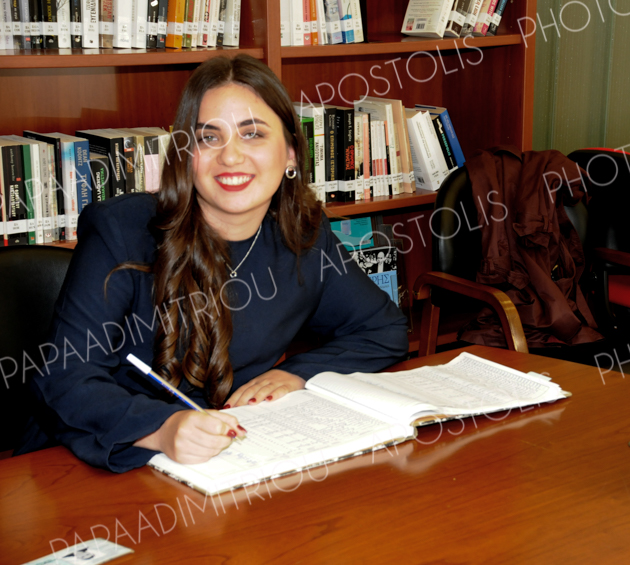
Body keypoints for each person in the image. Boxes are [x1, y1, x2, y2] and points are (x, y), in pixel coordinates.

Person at [16, 55, 409, 472]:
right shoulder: (121, 231)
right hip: (94, 460)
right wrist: (161, 428)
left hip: (228, 458)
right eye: (208, 137)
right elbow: (65, 376)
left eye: (253, 134)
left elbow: (383, 330)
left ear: (291, 154)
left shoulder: (304, 237)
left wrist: (299, 373)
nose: (231, 157)